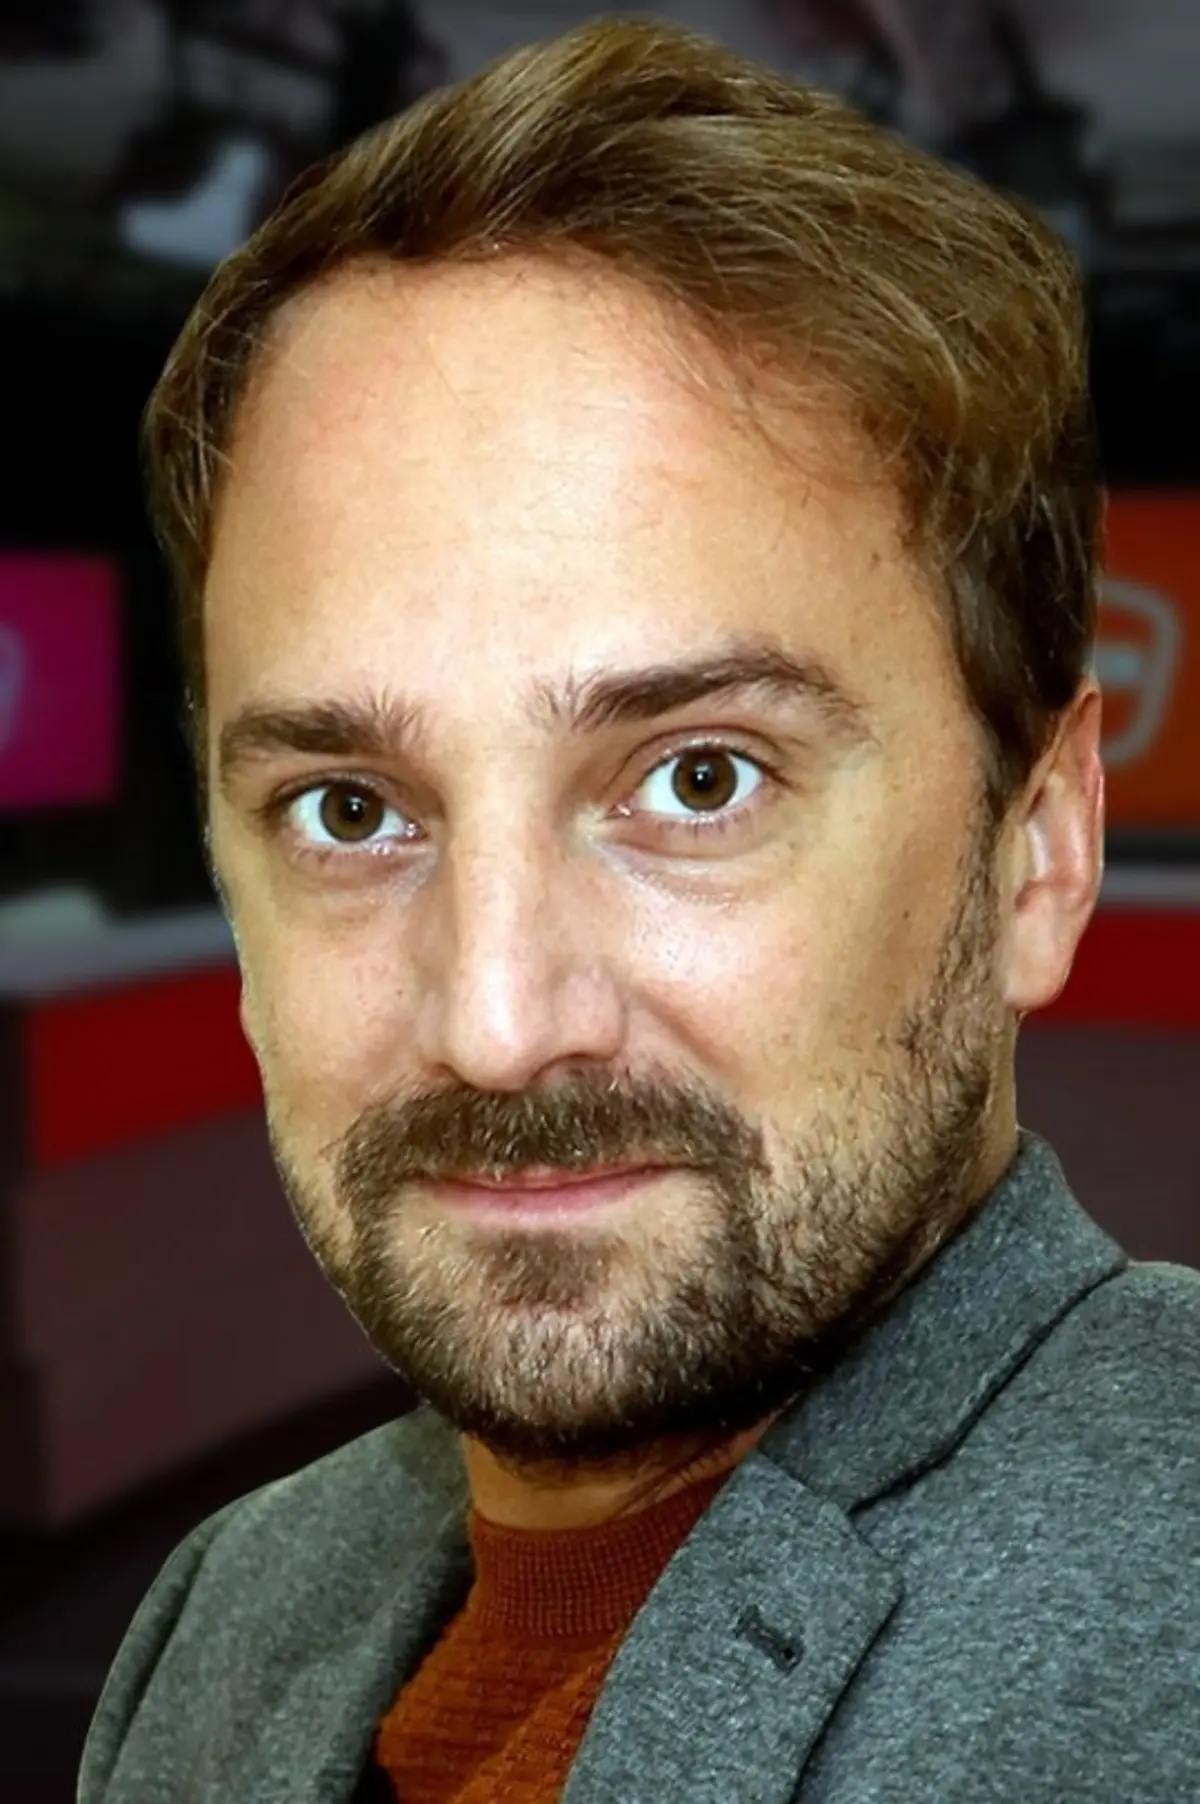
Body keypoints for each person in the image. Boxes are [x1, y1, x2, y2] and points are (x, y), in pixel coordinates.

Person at [79, 17, 1198, 1804]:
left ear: (1039, 849)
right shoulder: (220, 1617)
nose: (498, 1021)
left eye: (697, 780)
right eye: (352, 810)